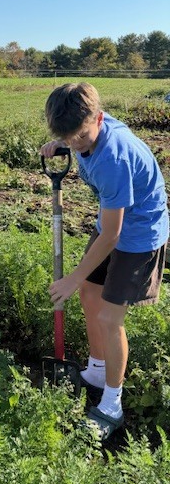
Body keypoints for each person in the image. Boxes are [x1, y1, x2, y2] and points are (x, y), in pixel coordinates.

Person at [40, 82, 168, 440]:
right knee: (90, 297)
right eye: (69, 138)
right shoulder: (87, 124)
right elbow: (107, 229)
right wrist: (62, 142)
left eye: (80, 137)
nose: (76, 145)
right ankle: (97, 369)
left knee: (111, 318)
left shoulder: (115, 157)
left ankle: (112, 402)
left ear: (98, 118)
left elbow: (114, 235)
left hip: (138, 236)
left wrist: (72, 278)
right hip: (111, 226)